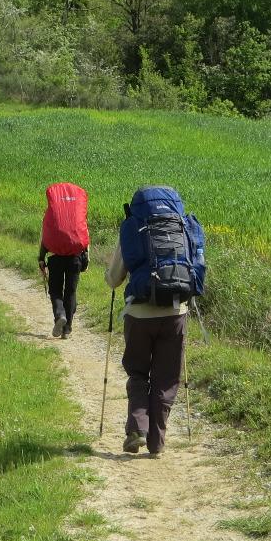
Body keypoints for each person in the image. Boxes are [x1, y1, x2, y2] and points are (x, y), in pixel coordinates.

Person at [105, 186, 205, 458]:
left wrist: (111, 277)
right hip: (175, 313)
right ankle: (157, 443)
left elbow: (114, 279)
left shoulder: (134, 227)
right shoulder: (183, 227)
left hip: (139, 313)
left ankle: (137, 428)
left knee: (138, 372)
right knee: (166, 379)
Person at [38, 181, 91, 339]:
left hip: (55, 257)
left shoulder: (51, 216)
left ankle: (60, 314)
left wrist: (41, 258)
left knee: (55, 290)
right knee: (71, 292)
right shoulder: (77, 214)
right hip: (75, 257)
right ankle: (67, 329)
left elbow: (45, 238)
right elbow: (84, 234)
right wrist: (86, 257)